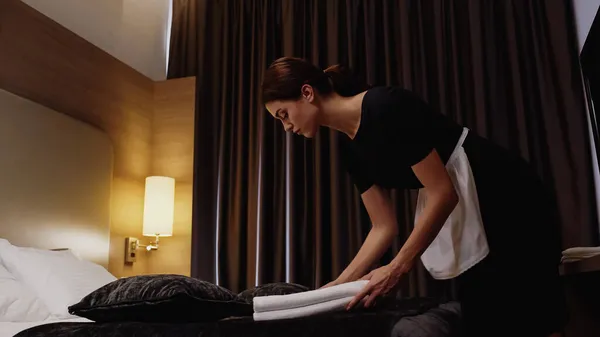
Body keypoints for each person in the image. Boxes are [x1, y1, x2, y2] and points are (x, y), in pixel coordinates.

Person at [261, 56, 566, 337]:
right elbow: (383, 226)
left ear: (307, 93)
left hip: (507, 196)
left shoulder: (385, 107)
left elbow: (443, 193)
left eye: (284, 114)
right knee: (486, 319)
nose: (286, 127)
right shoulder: (349, 150)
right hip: (465, 205)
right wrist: (336, 288)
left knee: (532, 316)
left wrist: (395, 269)